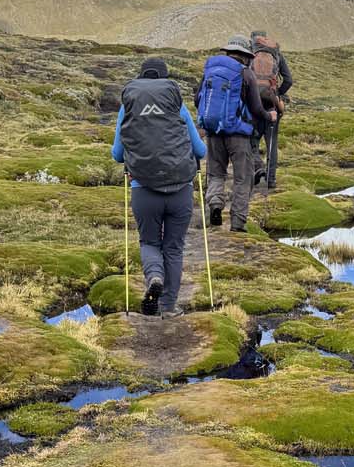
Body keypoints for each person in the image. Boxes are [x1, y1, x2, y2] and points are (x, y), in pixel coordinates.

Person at [112, 57, 206, 318]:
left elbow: (118, 154)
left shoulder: (128, 107)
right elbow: (200, 149)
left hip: (143, 189)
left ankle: (154, 276)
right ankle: (168, 307)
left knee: (150, 242)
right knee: (174, 247)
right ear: (166, 81)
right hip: (180, 191)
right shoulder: (178, 107)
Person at [196, 35, 276, 232]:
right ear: (245, 55)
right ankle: (238, 223)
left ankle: (215, 204)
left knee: (216, 173)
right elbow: (256, 108)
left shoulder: (210, 70)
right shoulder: (245, 73)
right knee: (243, 177)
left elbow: (198, 99)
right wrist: (269, 116)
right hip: (239, 135)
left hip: (214, 132)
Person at [249, 30, 293, 192]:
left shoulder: (251, 53)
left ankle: (257, 167)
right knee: (271, 143)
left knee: (251, 139)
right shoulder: (276, 55)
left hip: (253, 104)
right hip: (272, 103)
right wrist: (278, 94)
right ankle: (271, 180)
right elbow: (288, 80)